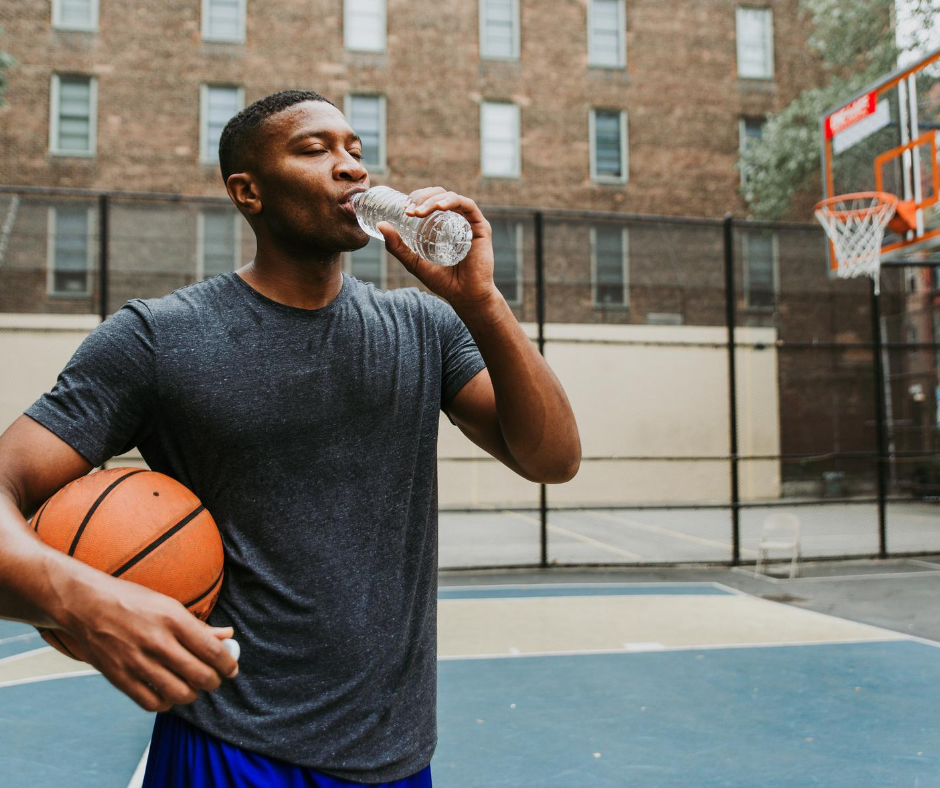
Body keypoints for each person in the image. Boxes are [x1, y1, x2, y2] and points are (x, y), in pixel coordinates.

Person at [0, 89, 580, 786]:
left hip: (396, 755)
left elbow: (553, 458)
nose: (351, 169)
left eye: (355, 151)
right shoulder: (160, 337)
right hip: (233, 747)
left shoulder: (424, 328)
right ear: (249, 193)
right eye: (315, 149)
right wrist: (84, 600)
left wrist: (481, 302)